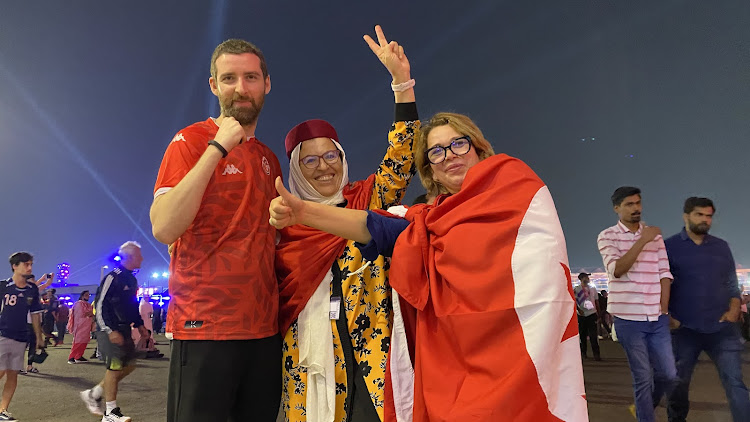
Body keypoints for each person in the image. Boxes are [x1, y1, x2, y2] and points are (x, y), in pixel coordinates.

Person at [270, 112, 588, 421]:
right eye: (436, 152)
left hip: (521, 350)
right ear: (431, 171)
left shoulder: (519, 192)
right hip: (441, 361)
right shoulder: (426, 221)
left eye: (459, 144)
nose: (449, 156)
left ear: (480, 148)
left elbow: (394, 171)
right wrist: (302, 213)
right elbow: (381, 228)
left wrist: (402, 85)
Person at [274, 25, 418, 422]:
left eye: (331, 156)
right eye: (310, 160)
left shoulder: (365, 199)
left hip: (373, 346)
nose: (324, 167)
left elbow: (400, 160)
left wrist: (401, 85)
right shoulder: (283, 222)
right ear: (295, 169)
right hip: (306, 352)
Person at [150, 38, 282, 422]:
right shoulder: (189, 141)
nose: (241, 88)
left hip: (262, 330)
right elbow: (164, 225)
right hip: (205, 326)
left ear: (266, 84)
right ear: (214, 86)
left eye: (251, 77)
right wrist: (217, 148)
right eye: (229, 78)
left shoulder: (268, 158)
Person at [664, 197, 750, 422]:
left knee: (735, 383)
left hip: (722, 329)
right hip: (684, 330)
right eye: (699, 215)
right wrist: (668, 317)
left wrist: (733, 308)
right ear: (686, 216)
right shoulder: (668, 247)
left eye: (709, 216)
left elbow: (731, 282)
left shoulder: (720, 247)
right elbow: (658, 284)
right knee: (678, 385)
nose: (705, 220)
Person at [597, 186, 677, 422]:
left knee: (669, 374)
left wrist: (664, 308)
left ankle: (642, 408)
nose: (636, 208)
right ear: (616, 208)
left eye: (638, 203)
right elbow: (617, 270)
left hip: (656, 317)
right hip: (628, 319)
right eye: (629, 204)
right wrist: (642, 240)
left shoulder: (655, 235)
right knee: (643, 376)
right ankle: (645, 417)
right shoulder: (607, 236)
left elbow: (665, 272)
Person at [79, 242, 148, 422]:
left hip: (124, 328)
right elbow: (100, 304)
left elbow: (132, 305)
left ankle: (94, 393)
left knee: (130, 365)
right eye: (139, 255)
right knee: (115, 367)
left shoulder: (131, 279)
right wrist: (109, 330)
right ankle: (110, 412)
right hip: (110, 329)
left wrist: (140, 325)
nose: (142, 258)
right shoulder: (113, 277)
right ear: (130, 257)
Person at [0, 252, 45, 421]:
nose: (30, 267)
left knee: (13, 374)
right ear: (15, 266)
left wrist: (39, 336)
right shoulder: (4, 286)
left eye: (31, 264)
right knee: (1, 370)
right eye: (26, 264)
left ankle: (2, 410)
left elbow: (35, 314)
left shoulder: (32, 289)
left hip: (21, 338)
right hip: (2, 334)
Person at [21, 273, 52, 375]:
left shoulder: (34, 290)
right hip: (27, 322)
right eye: (31, 280)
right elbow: (40, 285)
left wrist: (47, 278)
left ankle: (29, 366)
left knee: (32, 345)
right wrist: (43, 278)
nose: (34, 282)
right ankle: (18, 366)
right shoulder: (24, 290)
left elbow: (45, 284)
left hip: (35, 322)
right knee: (23, 345)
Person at [574, 272, 601, 360]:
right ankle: (583, 352)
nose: (588, 279)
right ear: (581, 279)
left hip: (592, 313)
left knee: (593, 335)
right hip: (581, 315)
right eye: (586, 277)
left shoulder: (592, 289)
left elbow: (596, 301)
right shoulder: (577, 289)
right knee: (582, 335)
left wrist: (598, 313)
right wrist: (578, 310)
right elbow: (574, 301)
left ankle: (596, 354)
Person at [67, 290, 93, 364]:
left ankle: (79, 356)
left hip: (87, 325)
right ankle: (71, 357)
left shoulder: (88, 304)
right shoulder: (78, 304)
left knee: (84, 341)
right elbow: (83, 314)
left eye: (88, 295)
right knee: (78, 342)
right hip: (80, 325)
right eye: (86, 295)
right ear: (82, 296)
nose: (88, 296)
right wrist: (91, 313)